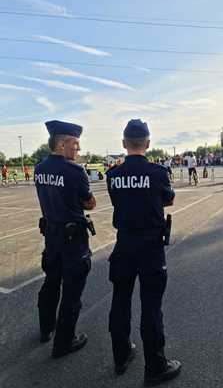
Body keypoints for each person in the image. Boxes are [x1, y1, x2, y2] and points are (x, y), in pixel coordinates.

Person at [106, 119, 181, 386]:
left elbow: (118, 201)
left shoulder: (112, 175)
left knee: (120, 301)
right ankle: (155, 366)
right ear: (148, 144)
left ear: (124, 144)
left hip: (123, 244)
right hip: (150, 246)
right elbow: (169, 199)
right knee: (151, 306)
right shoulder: (157, 172)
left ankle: (121, 354)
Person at [34, 120, 96, 358]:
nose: (77, 151)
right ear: (61, 144)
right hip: (73, 238)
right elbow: (89, 202)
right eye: (75, 145)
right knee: (72, 290)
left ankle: (45, 327)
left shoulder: (40, 168)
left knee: (51, 281)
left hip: (51, 234)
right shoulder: (74, 170)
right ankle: (64, 341)